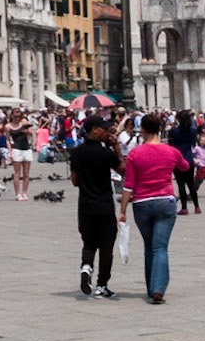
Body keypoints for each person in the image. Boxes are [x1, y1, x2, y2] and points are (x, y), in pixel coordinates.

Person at [119, 113, 190, 304]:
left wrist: (123, 210)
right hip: (165, 201)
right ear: (159, 129)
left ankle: (152, 288)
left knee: (149, 246)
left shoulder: (135, 153)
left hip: (141, 203)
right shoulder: (170, 151)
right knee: (160, 247)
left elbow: (129, 185)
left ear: (142, 130)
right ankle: (158, 288)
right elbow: (185, 166)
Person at [72, 119, 122, 298]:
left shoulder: (76, 153)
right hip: (104, 206)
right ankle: (101, 285)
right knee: (106, 247)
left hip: (85, 206)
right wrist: (116, 148)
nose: (108, 133)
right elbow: (123, 170)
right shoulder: (105, 153)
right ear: (94, 130)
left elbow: (75, 181)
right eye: (104, 129)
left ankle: (86, 267)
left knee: (89, 243)